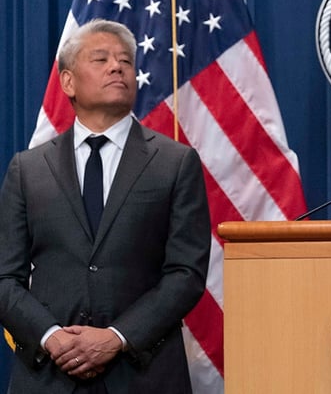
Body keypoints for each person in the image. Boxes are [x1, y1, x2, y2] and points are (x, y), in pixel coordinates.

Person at [0, 19, 211, 393]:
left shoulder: (176, 163)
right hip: (49, 376)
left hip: (144, 375)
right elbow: (5, 277)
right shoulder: (27, 169)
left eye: (126, 61)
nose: (117, 67)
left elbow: (186, 273)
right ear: (68, 82)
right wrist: (51, 337)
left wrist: (117, 336)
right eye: (101, 59)